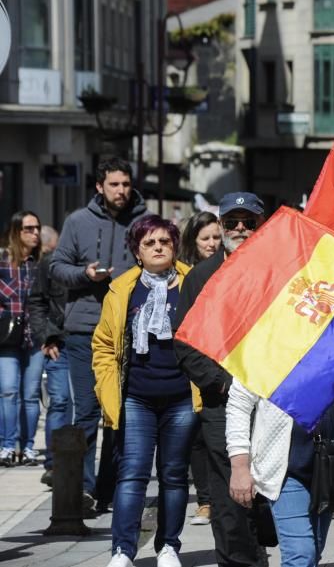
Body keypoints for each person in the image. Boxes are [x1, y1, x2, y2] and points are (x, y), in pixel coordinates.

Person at [92, 215, 199, 567]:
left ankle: (168, 546)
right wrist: (108, 391)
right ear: (137, 251)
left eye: (164, 242)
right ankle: (122, 550)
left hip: (181, 397)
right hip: (136, 396)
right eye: (149, 243)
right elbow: (105, 345)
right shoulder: (122, 289)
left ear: (174, 247)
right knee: (133, 474)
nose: (157, 248)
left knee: (173, 474)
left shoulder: (192, 283)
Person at [174, 192, 269, 567]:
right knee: (230, 501)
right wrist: (222, 384)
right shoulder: (200, 277)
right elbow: (184, 342)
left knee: (273, 494)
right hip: (223, 401)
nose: (240, 229)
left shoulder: (281, 268)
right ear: (221, 225)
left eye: (249, 222)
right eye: (232, 222)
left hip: (274, 399)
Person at [49, 157, 147, 509]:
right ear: (99, 187)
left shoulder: (144, 221)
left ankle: (109, 489)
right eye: (114, 185)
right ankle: (85, 489)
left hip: (131, 329)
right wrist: (85, 275)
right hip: (85, 330)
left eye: (125, 184)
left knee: (120, 413)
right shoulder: (77, 222)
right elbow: (57, 268)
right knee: (87, 412)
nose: (121, 191)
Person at [227, 358, 334, 567]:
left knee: (313, 551)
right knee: (301, 555)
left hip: (331, 466)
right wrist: (239, 466)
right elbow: (239, 403)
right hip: (286, 469)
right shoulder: (267, 342)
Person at [177, 211, 222, 525]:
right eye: (205, 238)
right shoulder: (183, 275)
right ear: (193, 241)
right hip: (187, 367)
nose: (211, 243)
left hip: (214, 365)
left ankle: (212, 498)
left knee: (210, 436)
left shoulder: (224, 269)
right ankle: (204, 499)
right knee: (194, 437)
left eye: (216, 237)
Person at [28, 224, 70, 484]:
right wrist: (44, 337)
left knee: (86, 408)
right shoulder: (49, 265)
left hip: (89, 345)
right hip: (59, 344)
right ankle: (54, 464)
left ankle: (80, 466)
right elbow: (36, 302)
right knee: (60, 401)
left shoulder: (93, 266)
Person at [0, 211, 42, 466]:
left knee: (31, 394)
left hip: (34, 338)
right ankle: (6, 445)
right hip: (5, 337)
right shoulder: (3, 260)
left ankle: (27, 447)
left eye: (37, 228)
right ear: (16, 231)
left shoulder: (41, 263)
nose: (35, 233)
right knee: (7, 391)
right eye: (29, 228)